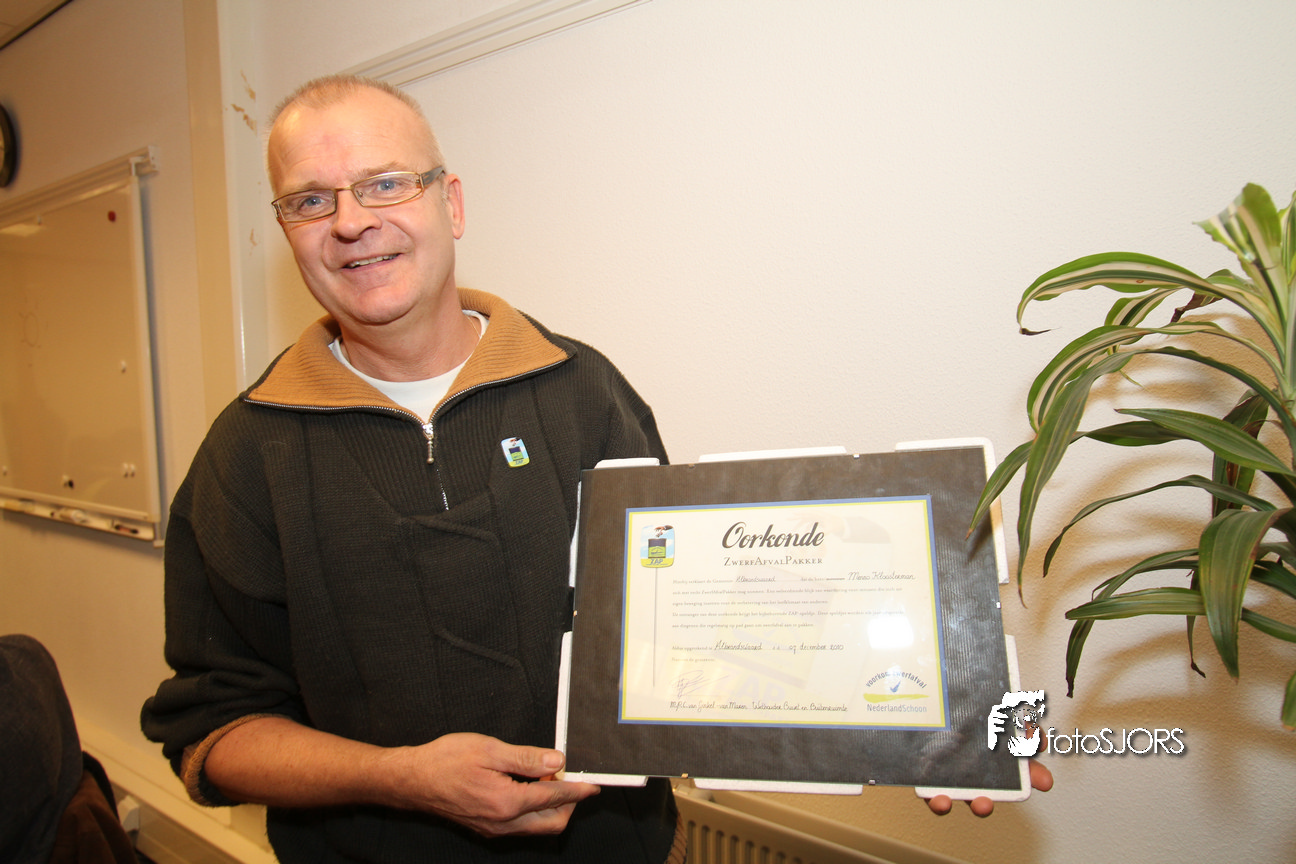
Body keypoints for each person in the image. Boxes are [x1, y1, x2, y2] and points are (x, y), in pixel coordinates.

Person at [141, 75, 1048, 864]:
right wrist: (401, 778)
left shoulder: (584, 392)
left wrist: (926, 716)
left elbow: (699, 633)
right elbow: (213, 735)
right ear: (287, 230)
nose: (350, 222)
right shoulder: (244, 457)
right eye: (310, 200)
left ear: (451, 205)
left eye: (386, 183)